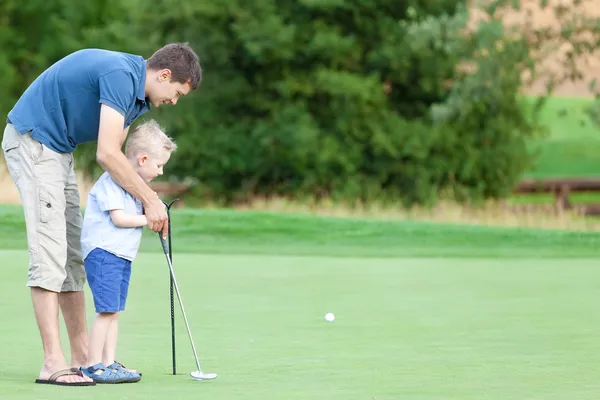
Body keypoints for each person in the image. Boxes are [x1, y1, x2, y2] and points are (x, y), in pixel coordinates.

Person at [1, 43, 201, 386]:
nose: (174, 101)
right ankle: (52, 363)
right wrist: (151, 200)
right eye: (177, 92)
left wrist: (141, 200)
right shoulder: (122, 77)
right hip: (33, 142)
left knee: (71, 258)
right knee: (50, 253)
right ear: (164, 75)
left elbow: (119, 160)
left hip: (58, 150)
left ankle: (85, 360)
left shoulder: (138, 100)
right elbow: (107, 154)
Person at [79, 120, 176, 383]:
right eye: (159, 165)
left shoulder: (135, 188)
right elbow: (119, 219)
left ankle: (109, 363)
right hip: (103, 253)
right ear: (143, 159)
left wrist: (153, 209)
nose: (161, 171)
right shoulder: (111, 181)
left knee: (114, 310)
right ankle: (92, 365)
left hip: (120, 255)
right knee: (106, 310)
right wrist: (149, 219)